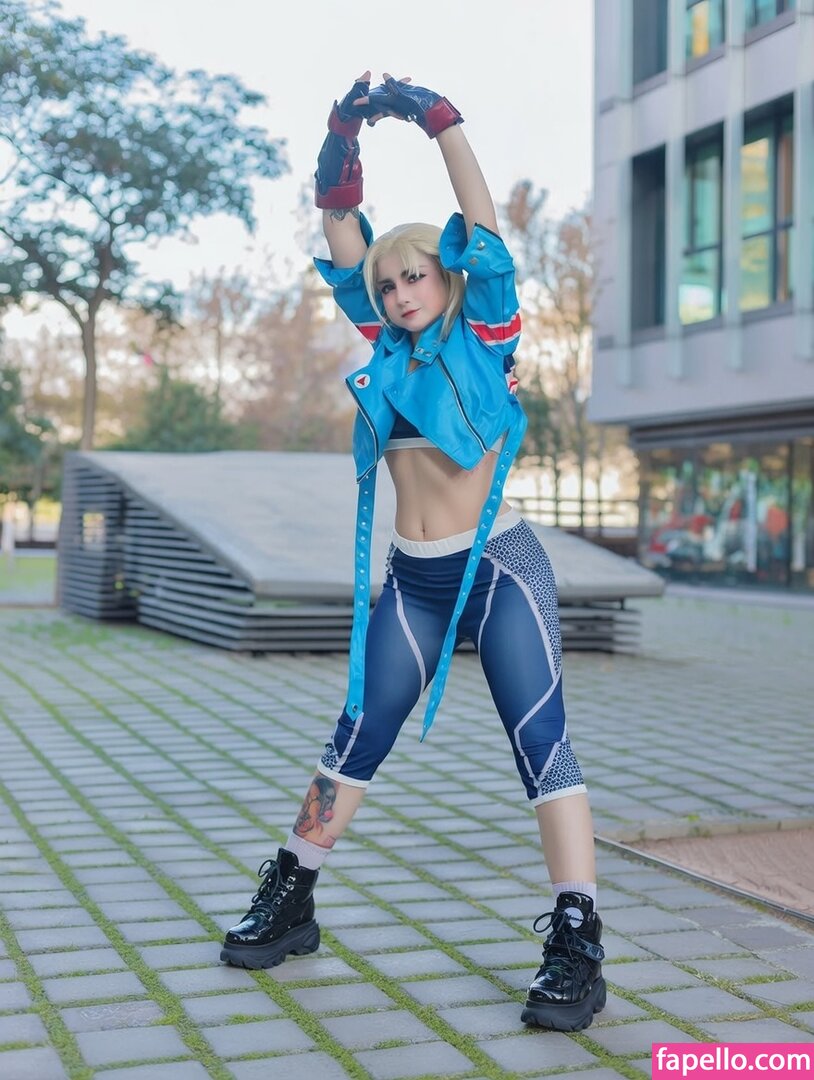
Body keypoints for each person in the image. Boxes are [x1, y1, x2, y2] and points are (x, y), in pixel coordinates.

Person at [220, 73, 606, 1033]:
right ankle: (293, 891)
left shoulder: (487, 333)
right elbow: (341, 232)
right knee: (355, 734)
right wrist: (342, 132)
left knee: (542, 744)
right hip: (414, 579)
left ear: (449, 278)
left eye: (416, 277)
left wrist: (441, 124)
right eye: (389, 285)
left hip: (498, 570)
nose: (398, 293)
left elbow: (484, 225)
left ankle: (576, 937)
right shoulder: (384, 352)